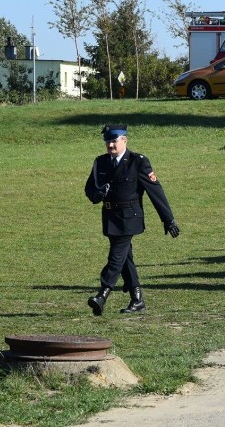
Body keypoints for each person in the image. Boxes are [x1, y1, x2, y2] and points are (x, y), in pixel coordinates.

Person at [85, 124, 179, 316]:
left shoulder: (138, 162)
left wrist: (168, 219)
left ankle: (103, 294)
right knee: (125, 258)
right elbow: (90, 189)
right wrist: (98, 195)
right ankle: (137, 299)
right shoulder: (101, 162)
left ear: (124, 141)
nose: (110, 145)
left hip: (130, 218)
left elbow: (156, 192)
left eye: (114, 141)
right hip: (111, 217)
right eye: (107, 141)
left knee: (116, 256)